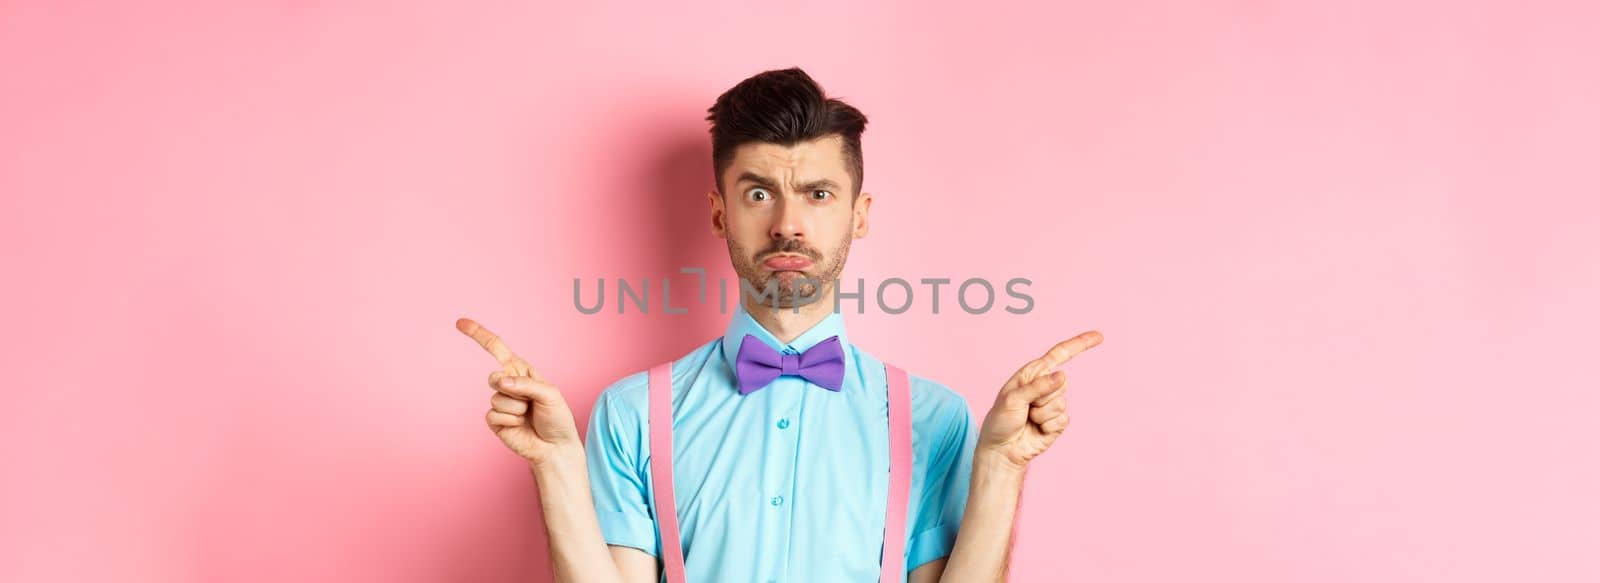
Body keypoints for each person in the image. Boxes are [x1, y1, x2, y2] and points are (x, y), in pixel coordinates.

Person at [456, 67, 1102, 582]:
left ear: (859, 213)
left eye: (818, 194)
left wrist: (1000, 466)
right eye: (759, 193)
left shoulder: (935, 418)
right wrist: (556, 465)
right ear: (719, 213)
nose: (788, 223)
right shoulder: (630, 412)